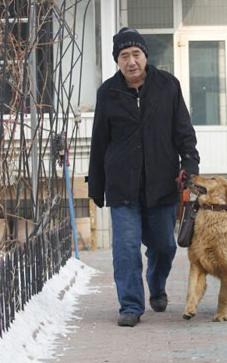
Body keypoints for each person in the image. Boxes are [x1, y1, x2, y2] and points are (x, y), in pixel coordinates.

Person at [88, 27, 200, 327]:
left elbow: (184, 132)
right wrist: (97, 186)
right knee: (125, 248)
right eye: (124, 56)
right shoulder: (108, 93)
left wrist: (189, 165)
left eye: (135, 54)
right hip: (122, 185)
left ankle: (157, 283)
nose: (131, 61)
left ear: (145, 56)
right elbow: (99, 142)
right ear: (118, 61)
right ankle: (131, 305)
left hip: (162, 183)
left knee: (164, 246)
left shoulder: (168, 86)